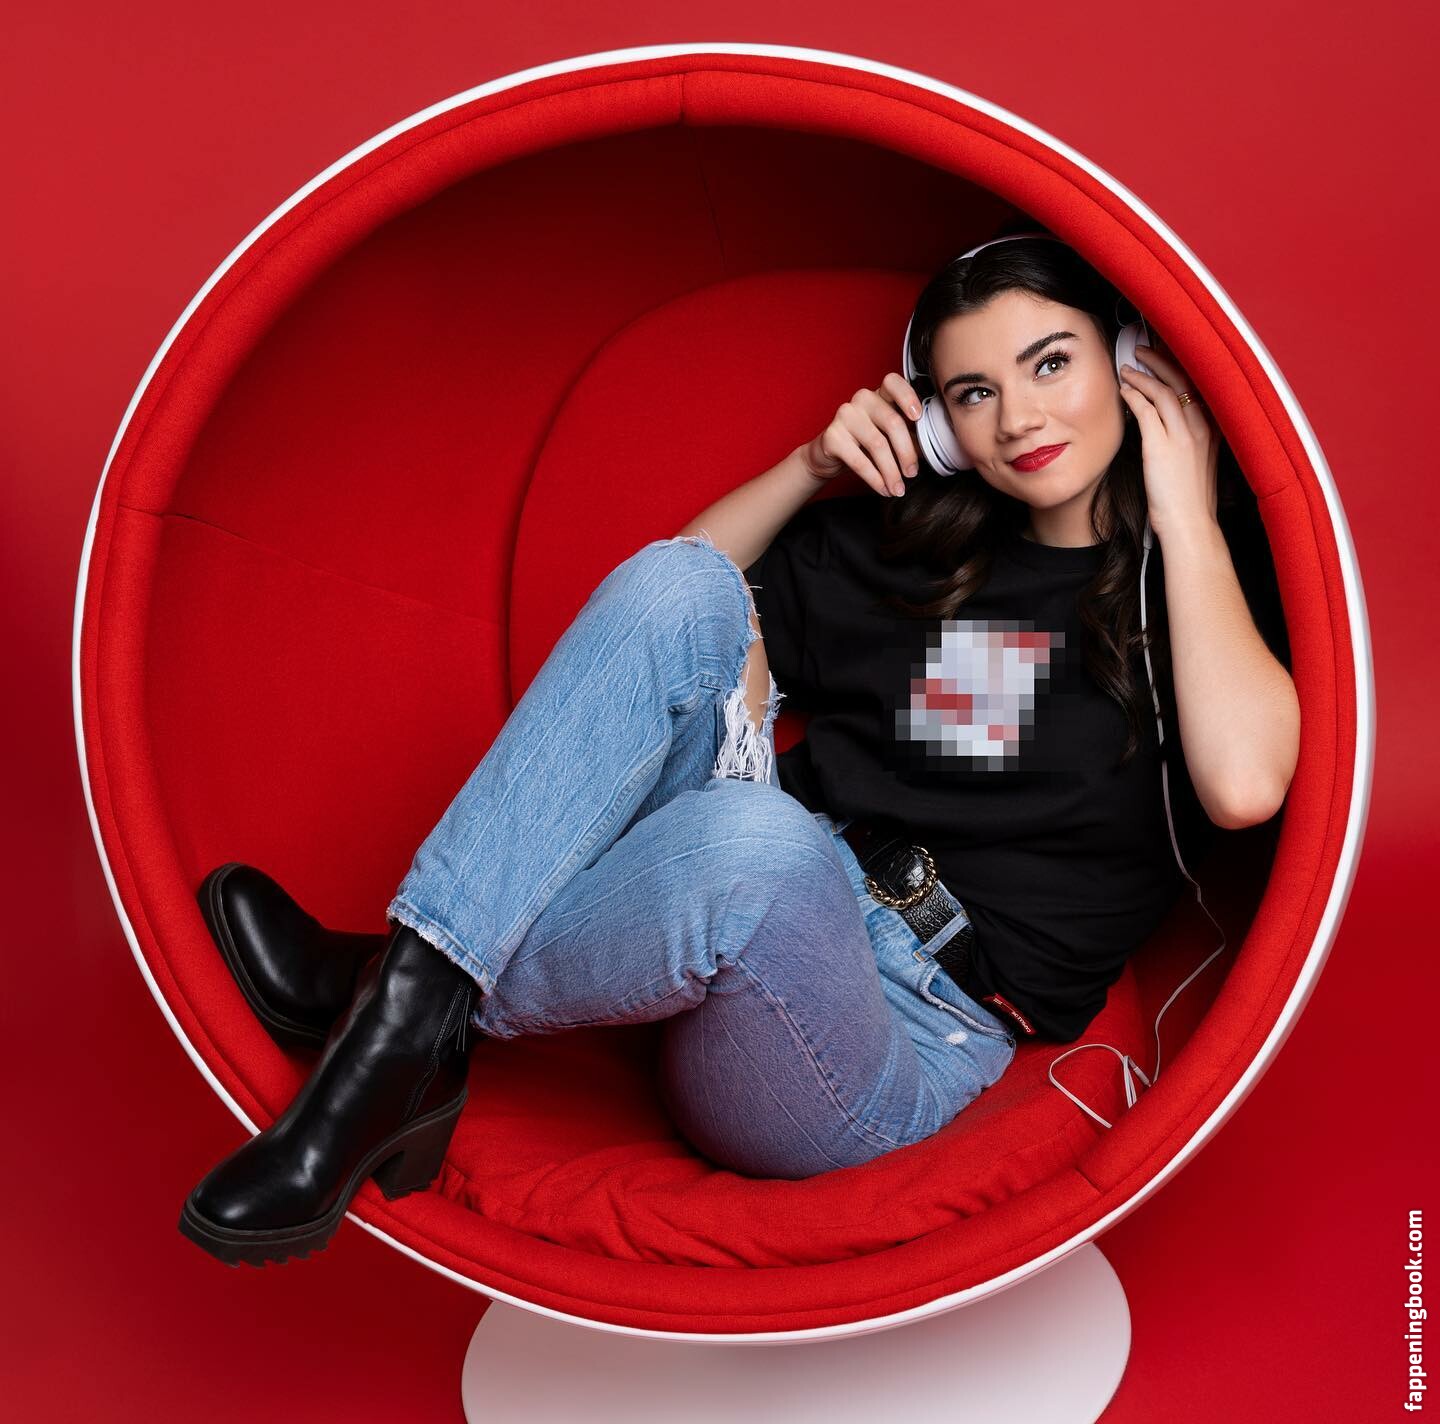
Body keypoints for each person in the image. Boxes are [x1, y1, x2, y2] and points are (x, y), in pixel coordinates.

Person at [179, 226, 1300, 1269]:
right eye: (975, 392)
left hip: (889, 1036)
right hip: (754, 879)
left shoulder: (1203, 594)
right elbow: (669, 611)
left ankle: (381, 996)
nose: (1017, 418)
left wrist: (1186, 514)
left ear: (1129, 363)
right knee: (683, 588)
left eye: (1051, 364)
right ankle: (404, 1025)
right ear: (940, 427)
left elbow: (1246, 786)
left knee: (760, 844)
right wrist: (811, 466)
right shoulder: (919, 548)